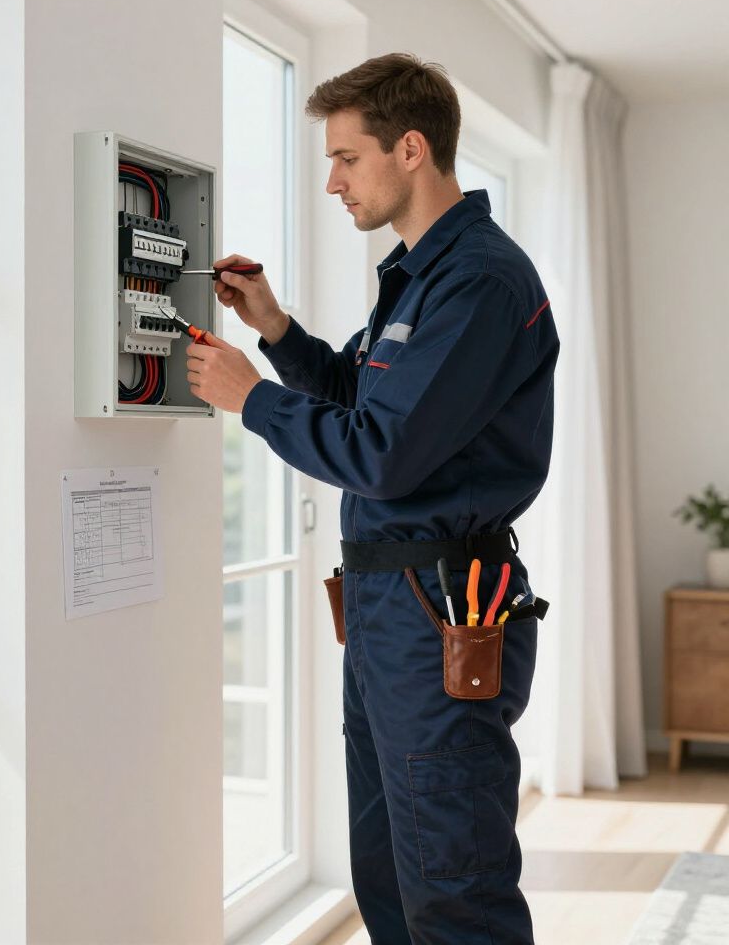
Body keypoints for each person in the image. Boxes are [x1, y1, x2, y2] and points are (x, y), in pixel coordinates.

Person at [186, 52, 559, 944]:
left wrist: (251, 398)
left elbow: (381, 455)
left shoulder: (478, 283)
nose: (330, 182)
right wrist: (274, 331)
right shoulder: (420, 276)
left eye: (346, 158)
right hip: (392, 615)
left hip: (438, 614)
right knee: (389, 870)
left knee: (453, 886)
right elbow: (362, 400)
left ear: (411, 151)